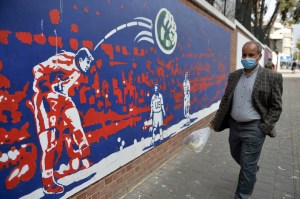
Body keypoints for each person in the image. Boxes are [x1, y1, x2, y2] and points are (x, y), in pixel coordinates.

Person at [210, 41, 283, 199]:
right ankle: (251, 170)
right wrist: (216, 120)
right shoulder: (234, 76)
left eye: (251, 55)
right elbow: (225, 100)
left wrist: (264, 127)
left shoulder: (272, 77)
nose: (247, 57)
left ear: (259, 56)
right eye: (244, 54)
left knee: (247, 165)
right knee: (237, 155)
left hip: (255, 128)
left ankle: (242, 194)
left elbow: (276, 107)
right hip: (234, 126)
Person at [32, 47, 94, 194]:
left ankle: (82, 143)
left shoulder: (78, 71)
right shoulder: (63, 60)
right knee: (50, 144)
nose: (89, 66)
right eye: (87, 62)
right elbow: (38, 69)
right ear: (80, 59)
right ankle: (48, 182)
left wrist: (61, 90)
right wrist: (47, 89)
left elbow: (64, 86)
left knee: (72, 112)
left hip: (60, 98)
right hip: (45, 99)